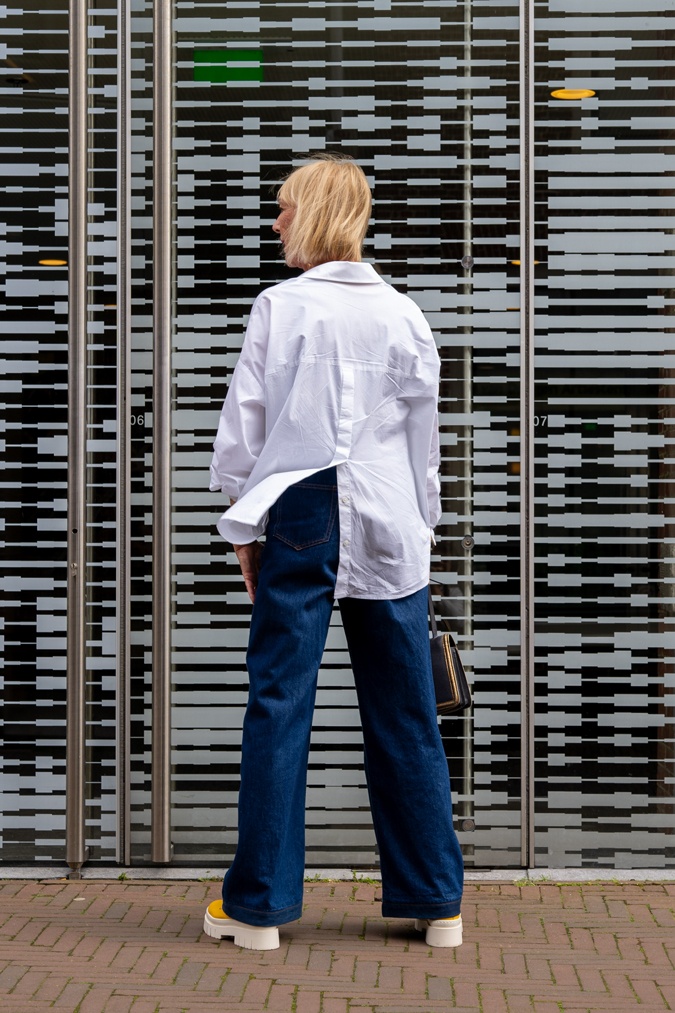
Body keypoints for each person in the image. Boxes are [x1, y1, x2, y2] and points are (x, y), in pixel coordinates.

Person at [204, 153, 464, 951]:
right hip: (389, 512)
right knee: (405, 709)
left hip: (299, 506)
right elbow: (423, 444)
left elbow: (244, 429)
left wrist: (244, 527)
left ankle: (257, 909)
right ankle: (435, 901)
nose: (274, 222)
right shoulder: (404, 314)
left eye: (283, 208)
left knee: (279, 706)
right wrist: (422, 528)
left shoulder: (280, 307)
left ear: (312, 211)